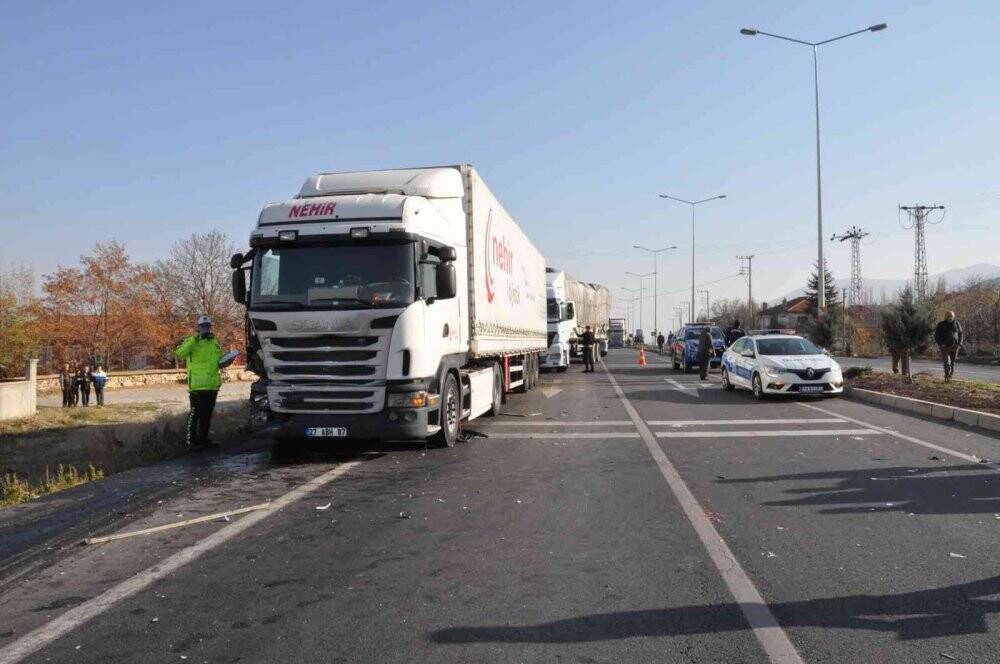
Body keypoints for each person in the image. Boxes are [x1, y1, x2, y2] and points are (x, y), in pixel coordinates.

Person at [176, 315, 224, 448]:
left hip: (212, 385)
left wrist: (226, 361)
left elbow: (218, 360)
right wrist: (194, 339)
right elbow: (180, 353)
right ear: (198, 328)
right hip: (197, 386)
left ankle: (204, 440)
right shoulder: (191, 341)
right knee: (195, 414)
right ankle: (190, 441)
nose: (205, 329)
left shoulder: (214, 342)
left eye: (208, 326)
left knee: (207, 415)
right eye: (203, 326)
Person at [934, 310, 963, 381]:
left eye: (951, 316)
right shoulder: (941, 324)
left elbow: (961, 334)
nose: (950, 318)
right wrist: (940, 344)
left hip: (955, 346)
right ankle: (947, 376)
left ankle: (950, 375)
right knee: (946, 362)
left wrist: (959, 343)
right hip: (945, 347)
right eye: (948, 316)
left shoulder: (957, 324)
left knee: (952, 362)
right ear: (945, 317)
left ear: (953, 317)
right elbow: (936, 335)